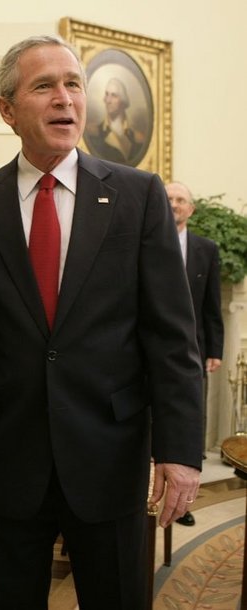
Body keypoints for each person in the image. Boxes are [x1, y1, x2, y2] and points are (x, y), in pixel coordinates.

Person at [0, 36, 203, 610]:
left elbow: (171, 334)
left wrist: (180, 451)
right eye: (44, 86)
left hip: (110, 451)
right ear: (8, 109)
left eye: (73, 84)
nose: (65, 98)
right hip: (10, 454)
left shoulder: (137, 195)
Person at [166, 181, 224, 527]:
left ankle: (184, 505)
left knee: (190, 420)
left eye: (181, 200)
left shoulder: (207, 249)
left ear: (191, 209)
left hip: (193, 350)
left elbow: (211, 306)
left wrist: (215, 349)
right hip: (148, 353)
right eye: (169, 199)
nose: (174, 205)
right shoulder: (143, 240)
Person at [85, 77, 145, 166]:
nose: (108, 100)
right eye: (106, 94)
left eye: (114, 95)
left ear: (123, 101)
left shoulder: (137, 138)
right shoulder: (94, 132)